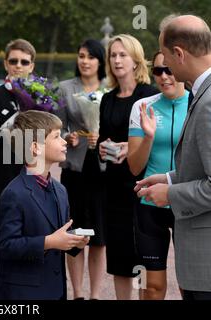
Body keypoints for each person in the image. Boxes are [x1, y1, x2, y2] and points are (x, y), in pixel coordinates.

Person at [135, 14, 211, 300]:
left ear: (179, 54)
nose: (164, 68)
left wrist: (171, 193)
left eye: (166, 57)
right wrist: (169, 177)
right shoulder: (202, 93)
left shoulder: (208, 102)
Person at [0, 110, 89, 300]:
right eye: (56, 137)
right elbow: (6, 246)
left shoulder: (60, 190)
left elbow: (58, 235)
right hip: (22, 295)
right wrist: (50, 242)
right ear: (36, 147)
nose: (64, 142)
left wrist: (74, 242)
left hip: (55, 290)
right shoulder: (14, 193)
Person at [98, 34, 159, 300]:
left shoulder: (149, 95)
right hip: (113, 187)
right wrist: (102, 148)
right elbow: (103, 135)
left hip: (141, 185)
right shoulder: (108, 99)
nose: (117, 60)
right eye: (113, 55)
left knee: (145, 259)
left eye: (123, 54)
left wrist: (128, 147)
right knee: (120, 258)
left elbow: (156, 138)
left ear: (135, 60)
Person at [128, 51, 188, 300]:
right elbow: (133, 166)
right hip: (150, 203)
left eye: (169, 70)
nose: (164, 77)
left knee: (191, 284)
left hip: (187, 201)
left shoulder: (200, 103)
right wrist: (149, 137)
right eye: (158, 71)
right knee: (151, 287)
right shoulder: (142, 106)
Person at [0, 38, 36, 290]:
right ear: (5, 64)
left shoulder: (39, 98)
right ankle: (1, 291)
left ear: (31, 66)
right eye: (13, 61)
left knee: (31, 237)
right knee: (3, 240)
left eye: (24, 62)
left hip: (33, 180)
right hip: (0, 184)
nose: (18, 66)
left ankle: (29, 289)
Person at [56, 39, 107, 300]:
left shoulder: (111, 89)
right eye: (81, 56)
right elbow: (58, 126)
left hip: (102, 171)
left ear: (100, 61)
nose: (84, 61)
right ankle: (77, 294)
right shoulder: (65, 89)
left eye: (90, 57)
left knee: (98, 238)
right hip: (74, 171)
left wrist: (103, 136)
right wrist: (68, 137)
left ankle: (96, 295)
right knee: (76, 233)